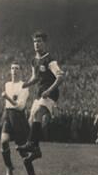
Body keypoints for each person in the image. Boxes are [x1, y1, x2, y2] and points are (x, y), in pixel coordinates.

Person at [17, 31, 65, 167]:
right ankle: (36, 150)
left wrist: (49, 90)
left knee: (38, 114)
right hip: (40, 93)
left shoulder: (50, 59)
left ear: (44, 43)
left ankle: (31, 144)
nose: (36, 44)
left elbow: (60, 77)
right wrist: (26, 84)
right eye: (34, 42)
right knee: (31, 120)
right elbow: (35, 77)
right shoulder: (34, 60)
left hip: (50, 93)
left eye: (39, 42)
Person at [0, 62, 38, 175]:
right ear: (10, 70)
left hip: (18, 117)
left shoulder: (24, 86)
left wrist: (7, 98)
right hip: (8, 115)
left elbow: (20, 106)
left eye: (17, 68)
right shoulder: (7, 84)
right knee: (3, 141)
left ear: (20, 71)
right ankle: (9, 167)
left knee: (21, 148)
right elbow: (8, 105)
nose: (14, 70)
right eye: (12, 68)